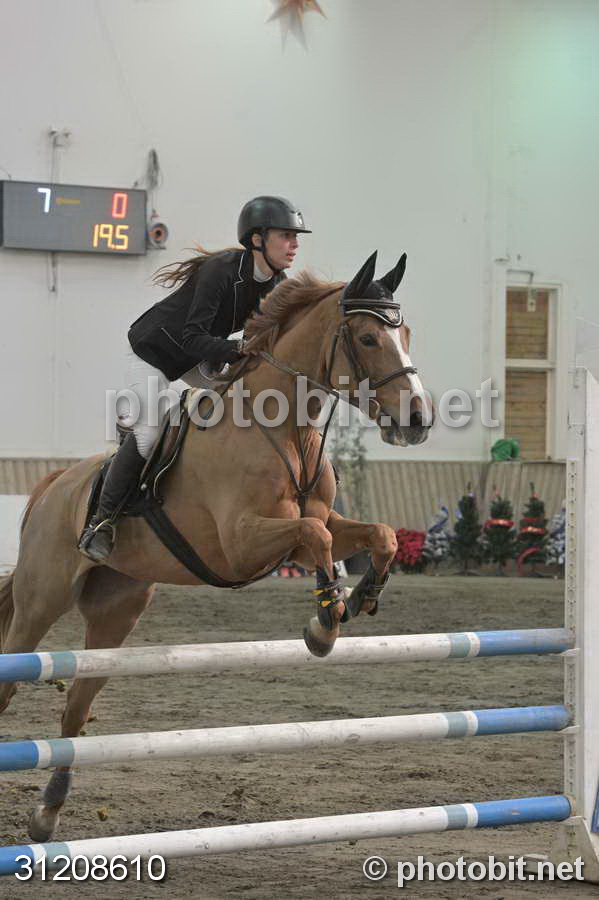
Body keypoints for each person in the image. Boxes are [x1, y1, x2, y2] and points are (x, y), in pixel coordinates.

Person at [78, 195, 311, 563]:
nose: (294, 244)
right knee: (149, 432)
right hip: (154, 352)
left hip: (198, 357)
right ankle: (101, 521)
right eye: (286, 235)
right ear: (257, 239)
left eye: (296, 237)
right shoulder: (220, 270)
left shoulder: (276, 285)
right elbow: (191, 337)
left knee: (244, 404)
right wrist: (237, 348)